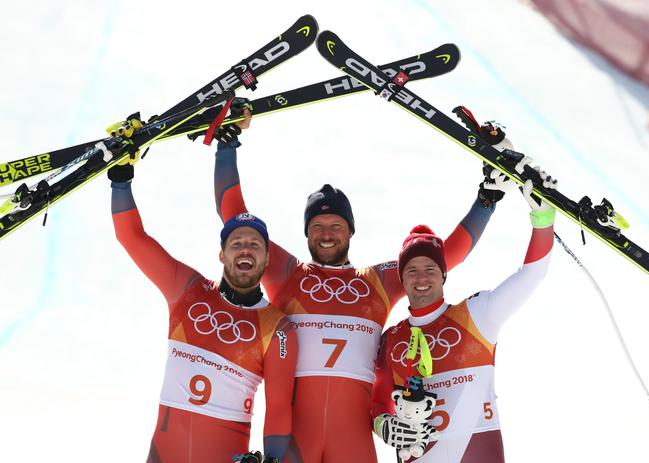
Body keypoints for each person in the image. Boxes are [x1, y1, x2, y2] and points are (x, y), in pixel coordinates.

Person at [213, 106, 512, 463]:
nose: (327, 235)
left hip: (352, 442)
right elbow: (235, 217)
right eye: (318, 226)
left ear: (351, 231)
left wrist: (486, 202)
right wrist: (227, 147)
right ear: (306, 233)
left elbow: (445, 255)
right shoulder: (287, 274)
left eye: (336, 226)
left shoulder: (376, 283)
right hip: (295, 442)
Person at [109, 120, 297, 463]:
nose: (245, 249)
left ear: (267, 259)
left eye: (255, 244)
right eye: (237, 243)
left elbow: (281, 407)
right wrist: (120, 179)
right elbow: (132, 238)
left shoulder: (278, 328)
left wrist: (272, 460)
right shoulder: (188, 290)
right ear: (221, 254)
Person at [371, 164, 558, 463]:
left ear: (443, 275)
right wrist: (384, 425)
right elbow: (378, 401)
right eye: (412, 271)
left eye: (430, 269)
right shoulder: (391, 339)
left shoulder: (476, 314)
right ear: (402, 279)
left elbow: (531, 275)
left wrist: (543, 218)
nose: (422, 278)